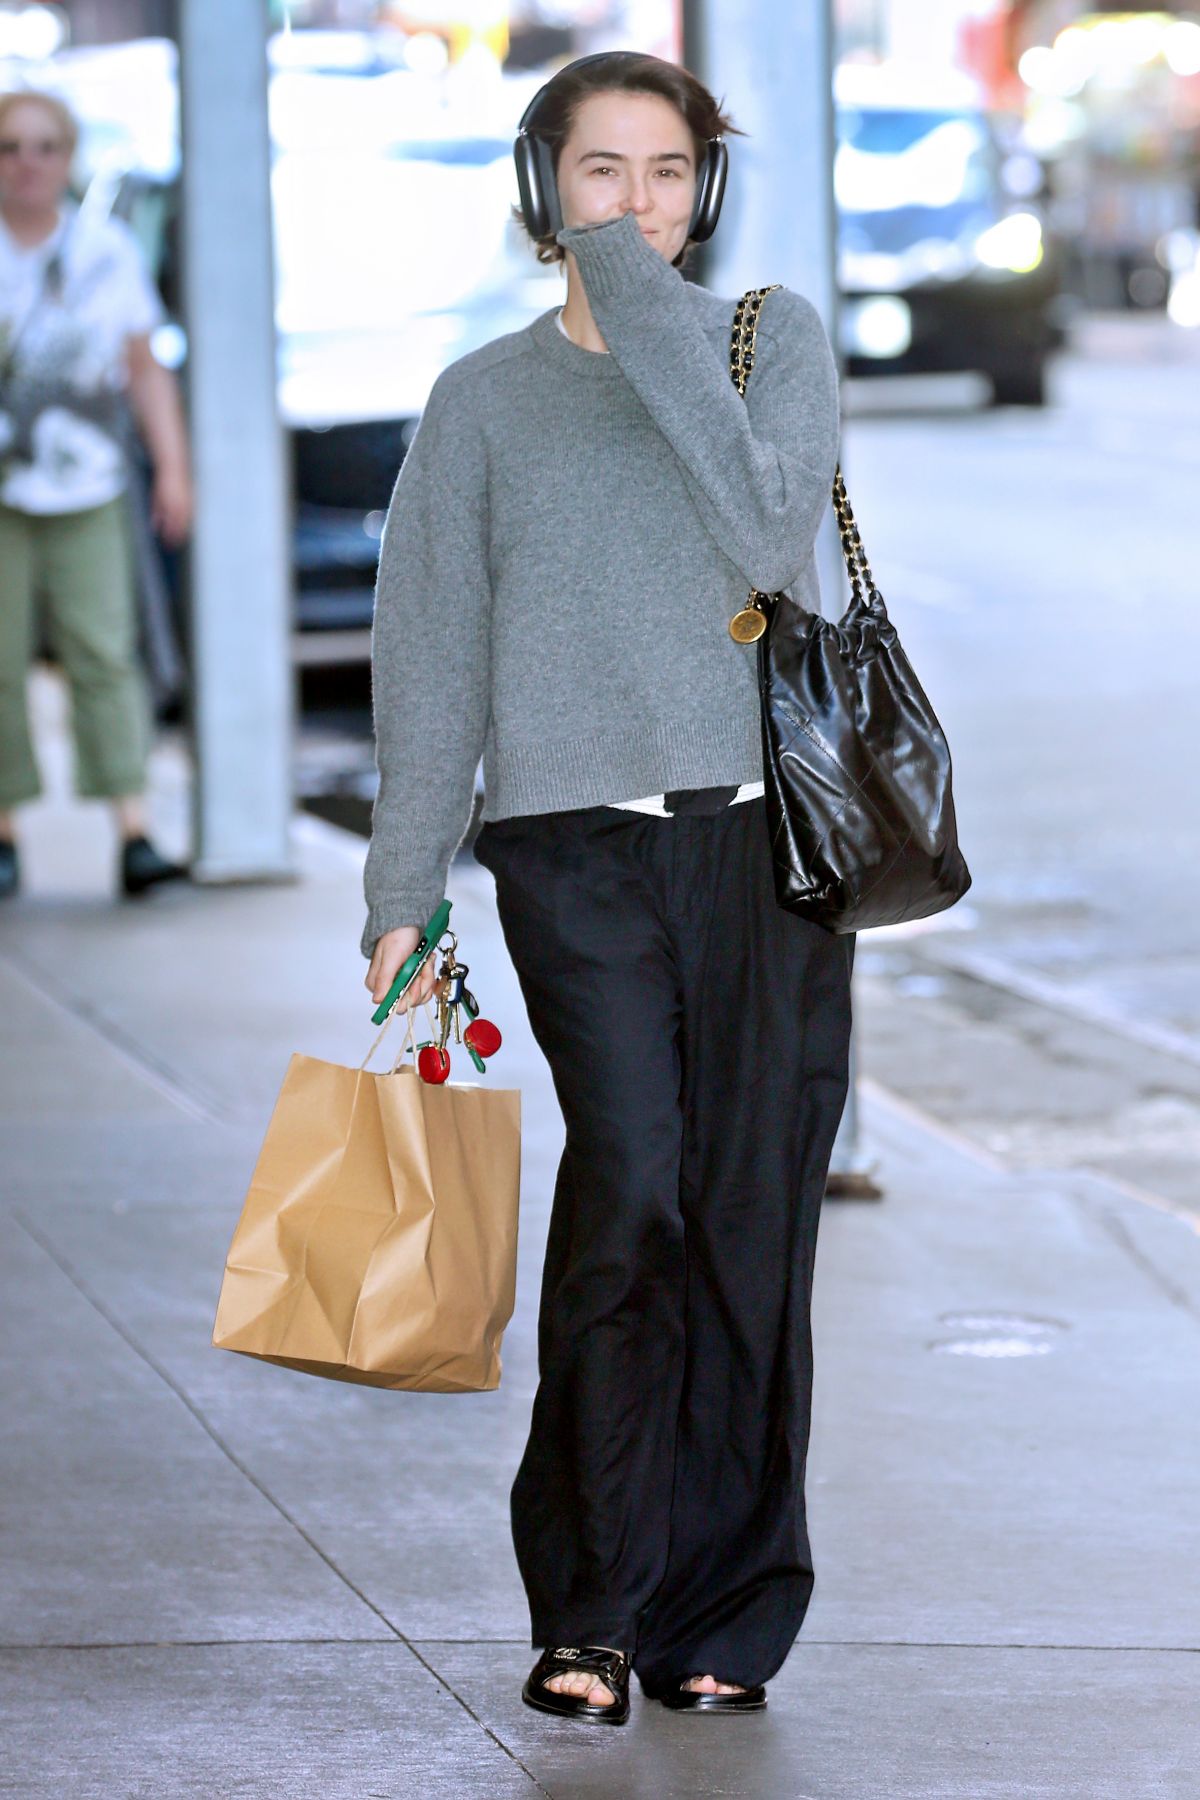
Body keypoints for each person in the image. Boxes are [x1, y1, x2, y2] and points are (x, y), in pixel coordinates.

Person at [362, 51, 854, 1724]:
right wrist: (402, 885)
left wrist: (645, 307)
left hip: (757, 847)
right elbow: (429, 653)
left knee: (748, 1216)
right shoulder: (481, 399)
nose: (635, 205)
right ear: (539, 188)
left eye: (667, 174)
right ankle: (587, 1600)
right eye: (601, 175)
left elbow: (773, 534)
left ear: (704, 191)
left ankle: (729, 1608)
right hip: (574, 850)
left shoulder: (761, 342)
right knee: (633, 1185)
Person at [0, 88, 193, 901]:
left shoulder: (103, 249)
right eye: (11, 146)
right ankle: (5, 831)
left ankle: (133, 830)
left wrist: (173, 468)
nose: (28, 162)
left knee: (106, 656)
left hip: (88, 487)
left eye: (45, 146)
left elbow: (142, 368)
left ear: (68, 157)